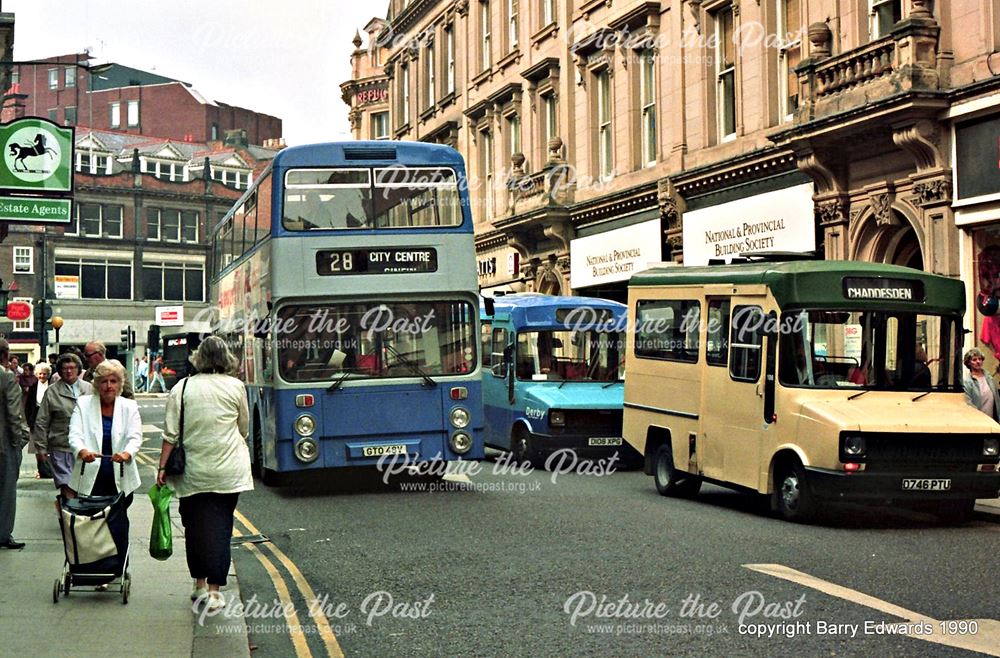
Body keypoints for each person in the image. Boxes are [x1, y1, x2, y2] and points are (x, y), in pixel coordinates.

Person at [156, 336, 252, 610]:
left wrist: (162, 468)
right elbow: (243, 428)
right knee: (221, 528)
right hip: (228, 471)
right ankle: (214, 591)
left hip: (192, 473)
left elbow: (170, 434)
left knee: (194, 527)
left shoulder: (182, 387)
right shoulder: (236, 386)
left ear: (198, 358)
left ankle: (198, 584)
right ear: (226, 358)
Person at [67, 359, 143, 501]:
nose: (108, 386)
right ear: (97, 384)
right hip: (90, 475)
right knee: (91, 521)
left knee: (118, 520)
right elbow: (74, 434)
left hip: (121, 475)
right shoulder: (83, 404)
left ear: (120, 384)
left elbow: (135, 437)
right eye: (104, 381)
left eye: (113, 381)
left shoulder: (129, 406)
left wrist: (127, 454)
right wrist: (82, 451)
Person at [33, 354, 94, 500]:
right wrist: (41, 449)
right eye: (64, 368)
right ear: (59, 371)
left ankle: (78, 519)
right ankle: (70, 519)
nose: (68, 371)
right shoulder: (52, 391)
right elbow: (42, 421)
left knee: (84, 489)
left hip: (86, 447)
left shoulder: (89, 389)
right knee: (66, 486)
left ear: (79, 369)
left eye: (72, 368)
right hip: (61, 447)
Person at [0, 339, 31, 549]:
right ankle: (3, 535)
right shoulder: (7, 377)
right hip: (4, 445)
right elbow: (13, 414)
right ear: (4, 354)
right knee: (6, 491)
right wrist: (17, 442)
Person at [24, 363, 52, 479]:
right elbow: (28, 405)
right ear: (36, 374)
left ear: (48, 374)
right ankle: (41, 470)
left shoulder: (52, 386)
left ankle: (50, 470)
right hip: (35, 418)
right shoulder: (33, 387)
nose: (42, 376)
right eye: (40, 374)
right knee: (36, 447)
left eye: (44, 374)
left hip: (49, 418)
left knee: (49, 445)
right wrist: (29, 420)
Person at [962, 347, 999, 421]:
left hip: (993, 420)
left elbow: (997, 400)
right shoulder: (968, 382)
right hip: (978, 420)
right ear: (969, 363)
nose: (978, 361)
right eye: (974, 360)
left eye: (980, 359)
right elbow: (969, 404)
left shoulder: (989, 378)